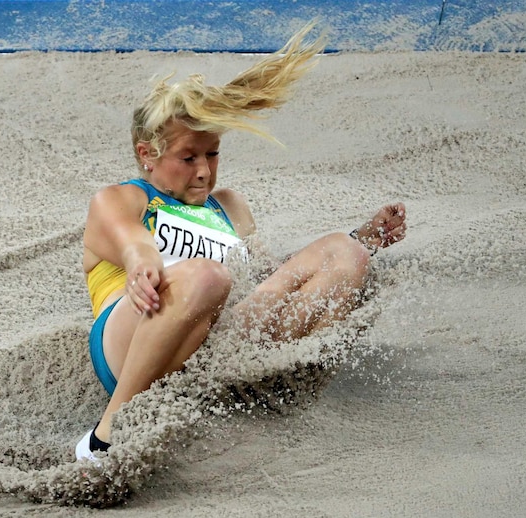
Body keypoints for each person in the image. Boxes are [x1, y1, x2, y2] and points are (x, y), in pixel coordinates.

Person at [76, 24, 407, 462]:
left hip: (220, 346)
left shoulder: (229, 206)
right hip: (133, 342)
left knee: (344, 254)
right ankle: (107, 433)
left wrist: (363, 239)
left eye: (212, 154)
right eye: (188, 157)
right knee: (207, 275)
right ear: (147, 155)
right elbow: (131, 241)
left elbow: (268, 279)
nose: (203, 171)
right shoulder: (122, 197)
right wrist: (141, 263)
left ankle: (280, 390)